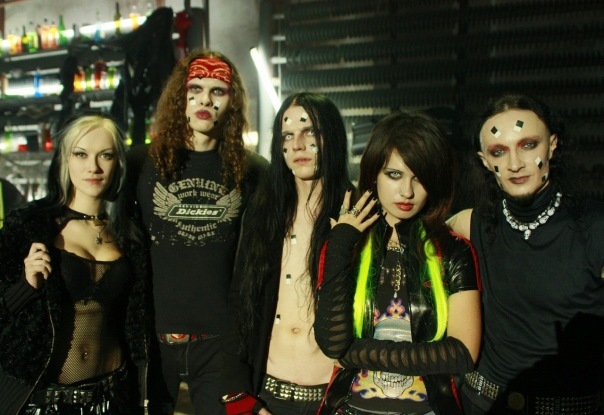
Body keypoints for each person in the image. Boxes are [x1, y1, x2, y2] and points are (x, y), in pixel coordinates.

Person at [126, 49, 268, 415]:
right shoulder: (141, 163)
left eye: (218, 91)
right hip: (153, 340)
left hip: (219, 343)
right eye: (196, 89)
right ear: (180, 97)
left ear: (232, 102)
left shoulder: (253, 170)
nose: (205, 100)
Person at [314, 110, 481, 415]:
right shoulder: (347, 245)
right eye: (394, 175)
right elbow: (332, 344)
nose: (407, 192)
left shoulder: (453, 250)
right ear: (373, 174)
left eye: (420, 178)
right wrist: (340, 244)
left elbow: (462, 354)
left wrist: (355, 352)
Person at [447, 94, 604, 415]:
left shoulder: (595, 226)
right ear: (484, 161)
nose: (514, 164)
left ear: (552, 145)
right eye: (498, 151)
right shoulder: (470, 224)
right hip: (481, 404)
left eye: (528, 145)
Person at [0, 113, 151, 415]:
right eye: (81, 154)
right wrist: (25, 286)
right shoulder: (29, 226)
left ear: (118, 163)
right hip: (42, 401)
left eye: (105, 155)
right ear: (65, 160)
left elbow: (137, 322)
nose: (93, 167)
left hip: (112, 397)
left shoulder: (131, 236)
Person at [220, 92, 355, 415]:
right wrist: (240, 397)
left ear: (332, 138)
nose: (298, 145)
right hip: (268, 394)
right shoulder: (264, 212)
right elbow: (240, 301)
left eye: (310, 132)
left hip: (333, 397)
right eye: (288, 136)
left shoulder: (357, 212)